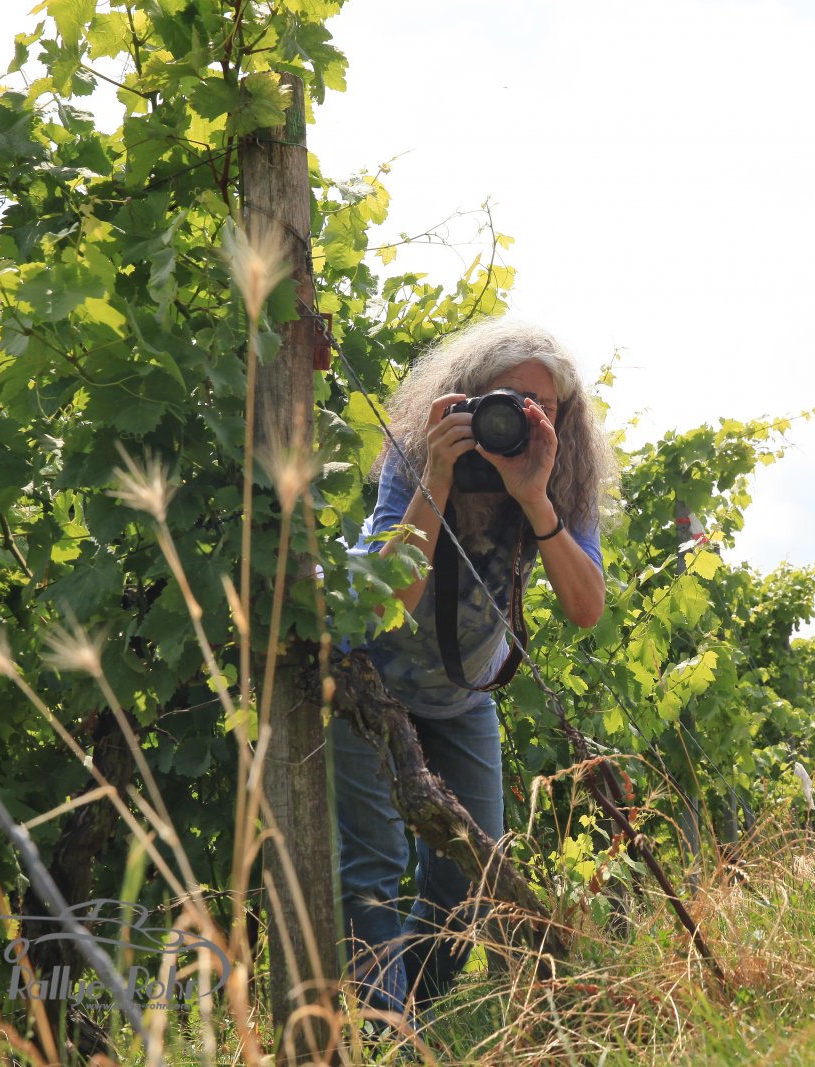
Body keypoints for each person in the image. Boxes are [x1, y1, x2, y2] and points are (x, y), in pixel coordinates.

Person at [331, 318, 615, 1026]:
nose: (520, 416)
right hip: (367, 676)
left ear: (562, 419)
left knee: (473, 875)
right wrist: (437, 475)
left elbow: (586, 609)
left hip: (460, 698)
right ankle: (381, 1033)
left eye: (541, 406)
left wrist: (535, 498)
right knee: (372, 867)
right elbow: (385, 604)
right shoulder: (419, 453)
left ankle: (420, 1018)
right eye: (506, 398)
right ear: (466, 396)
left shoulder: (561, 475)